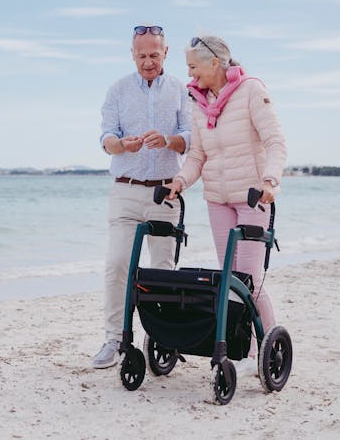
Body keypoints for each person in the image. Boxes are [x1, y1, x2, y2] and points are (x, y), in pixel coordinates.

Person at [165, 35, 287, 374]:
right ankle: (240, 347)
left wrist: (270, 181)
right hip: (217, 199)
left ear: (214, 64)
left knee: (249, 280)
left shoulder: (251, 90)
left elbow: (275, 142)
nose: (190, 73)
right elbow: (198, 155)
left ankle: (263, 350)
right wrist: (180, 182)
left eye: (193, 66)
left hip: (252, 197)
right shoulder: (198, 100)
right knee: (229, 279)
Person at [93, 24, 192, 369]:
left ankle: (162, 338)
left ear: (165, 53)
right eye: (142, 55)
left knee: (162, 270)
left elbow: (190, 138)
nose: (148, 61)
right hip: (125, 190)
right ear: (132, 55)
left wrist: (168, 140)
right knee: (118, 263)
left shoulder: (181, 90)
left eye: (154, 55)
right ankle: (114, 339)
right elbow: (106, 137)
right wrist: (121, 145)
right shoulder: (117, 90)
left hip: (165, 192)